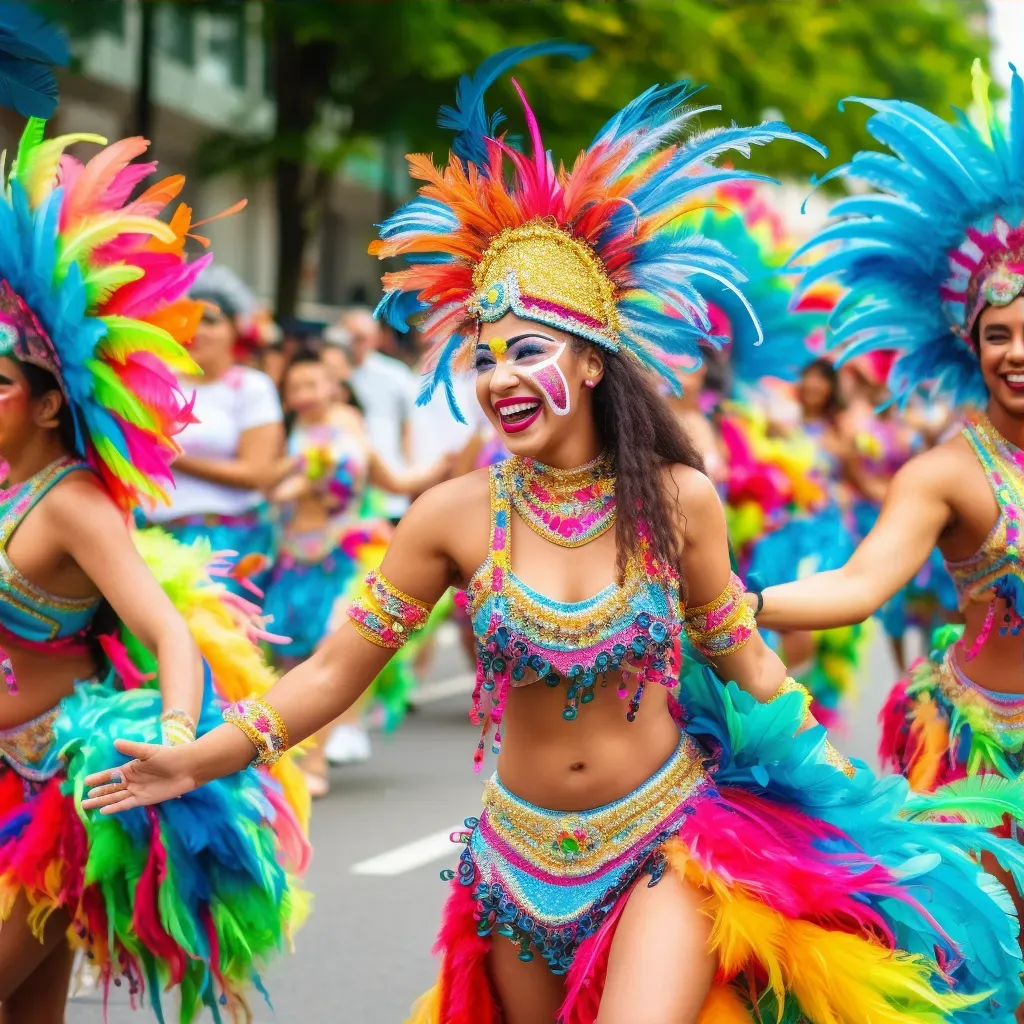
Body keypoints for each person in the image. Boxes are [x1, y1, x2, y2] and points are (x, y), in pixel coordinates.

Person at [82, 47, 1024, 1024]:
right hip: (515, 862)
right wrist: (203, 754)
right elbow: (332, 672)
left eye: (525, 349)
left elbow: (744, 663)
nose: (497, 378)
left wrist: (855, 812)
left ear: (587, 363)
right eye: (483, 358)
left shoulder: (675, 500)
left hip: (671, 838)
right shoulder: (450, 518)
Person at [0, 116, 307, 1022]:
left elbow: (166, 631)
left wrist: (178, 734)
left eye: (0, 384)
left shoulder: (73, 502)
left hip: (52, 788)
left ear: (53, 403)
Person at [750, 59, 1024, 1005]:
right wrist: (734, 602)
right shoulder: (949, 471)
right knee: (990, 973)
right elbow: (860, 588)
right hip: (977, 753)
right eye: (997, 335)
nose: (1016, 353)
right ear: (969, 343)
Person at [264, 351, 445, 792]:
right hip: (294, 559)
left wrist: (441, 472)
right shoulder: (291, 436)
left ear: (335, 388)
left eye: (312, 385)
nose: (304, 395)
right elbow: (268, 485)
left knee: (332, 650)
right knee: (288, 659)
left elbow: (396, 482)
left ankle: (317, 762)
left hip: (344, 558)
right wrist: (288, 480)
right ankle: (288, 756)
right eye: (294, 388)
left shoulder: (354, 435)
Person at [144, 270, 286, 597]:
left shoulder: (252, 387)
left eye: (210, 320)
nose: (197, 330)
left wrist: (171, 455)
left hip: (224, 543)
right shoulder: (156, 382)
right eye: (188, 319)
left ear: (236, 328)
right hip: (151, 540)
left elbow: (258, 473)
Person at [337, 307, 418, 524]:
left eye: (362, 338)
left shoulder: (396, 375)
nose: (356, 344)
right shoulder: (330, 375)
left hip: (389, 483)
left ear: (376, 339)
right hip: (341, 487)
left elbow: (408, 428)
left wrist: (410, 472)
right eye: (351, 337)